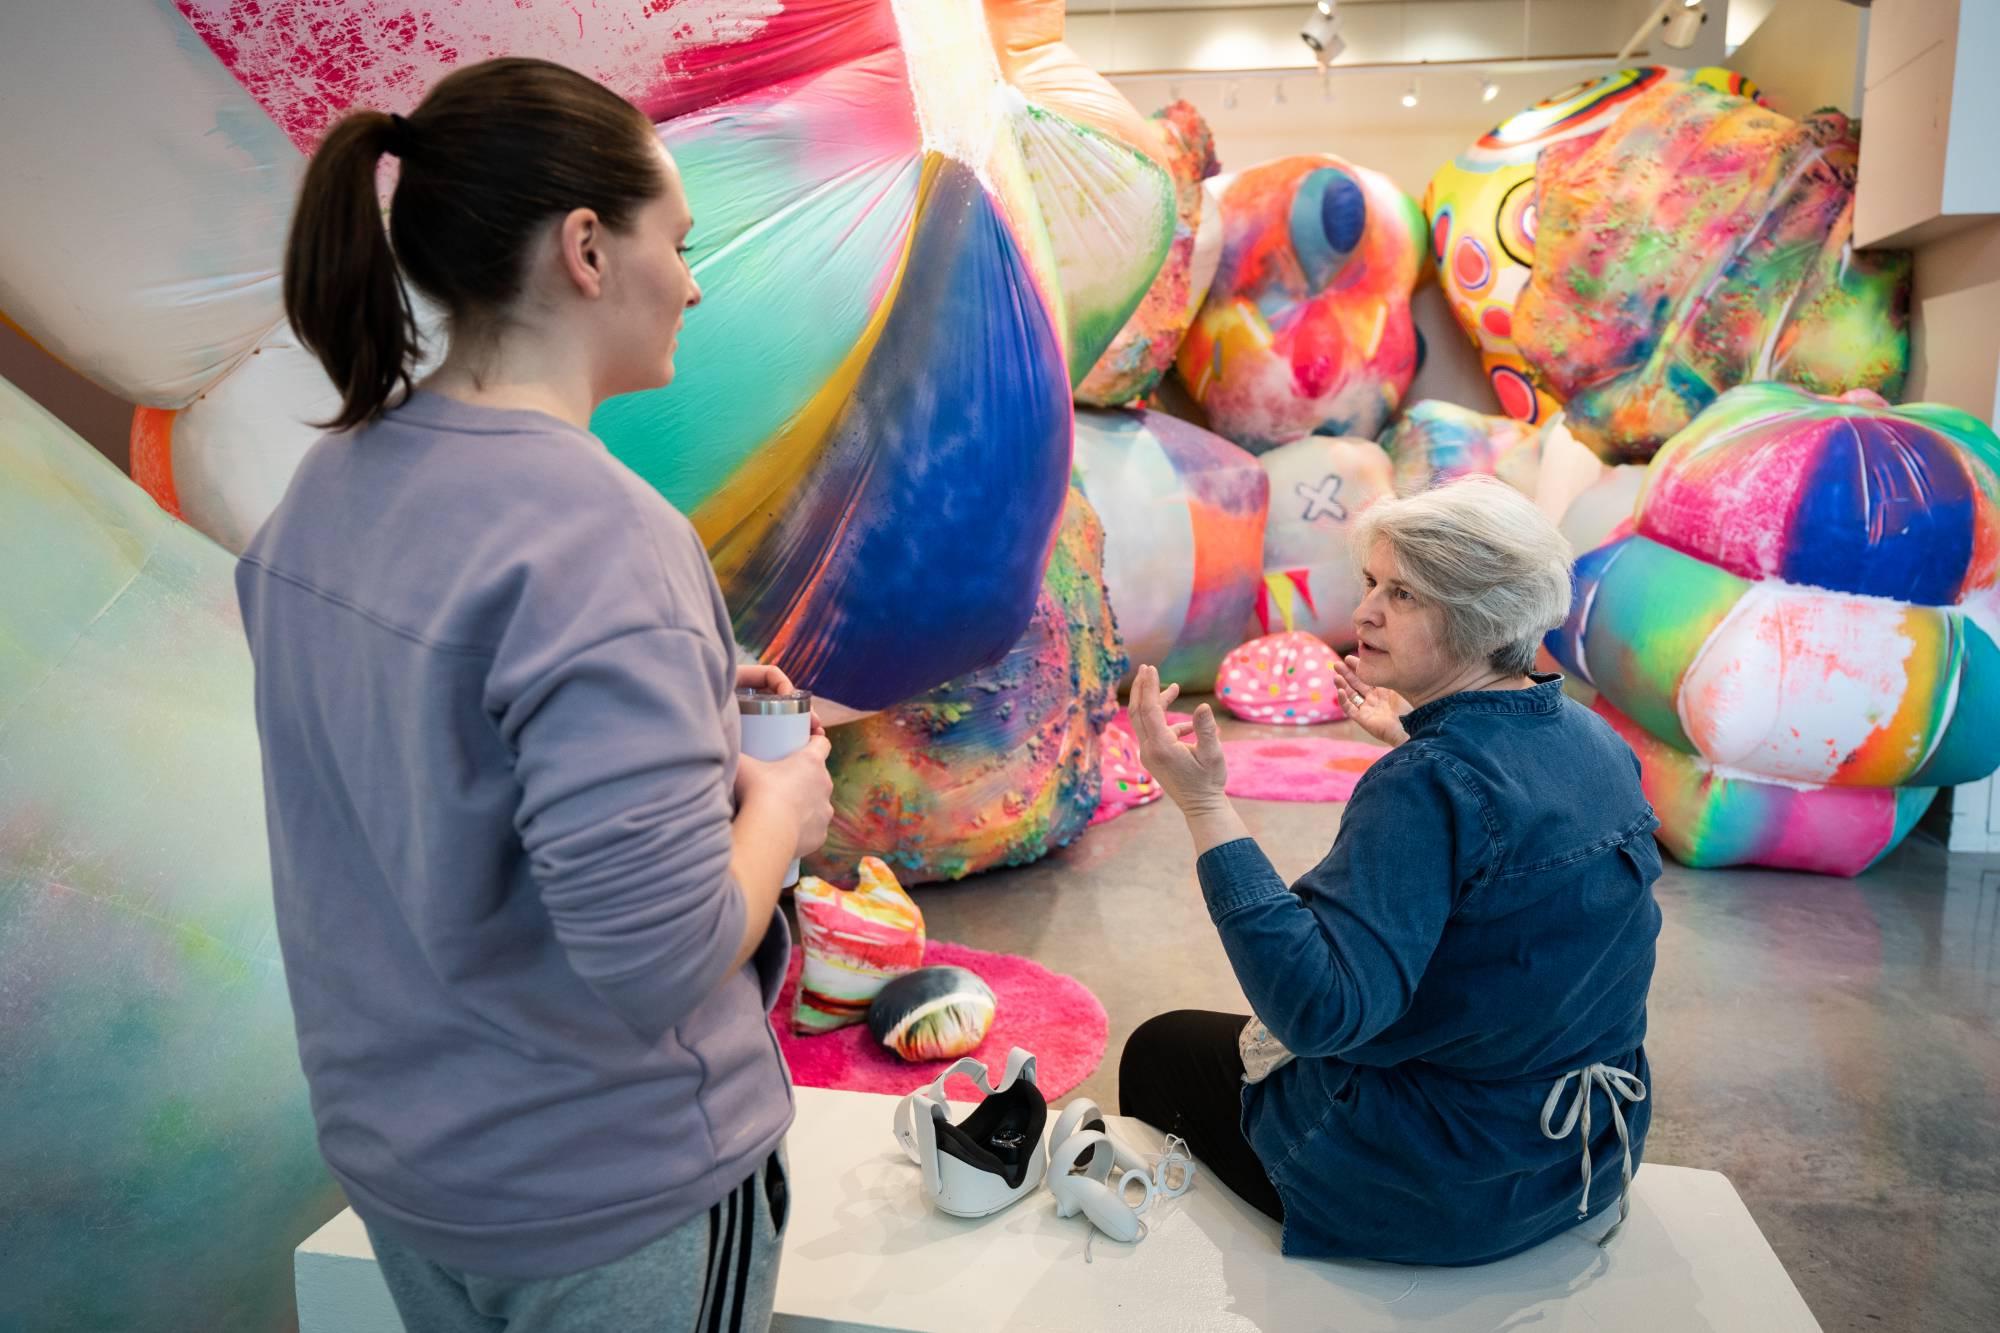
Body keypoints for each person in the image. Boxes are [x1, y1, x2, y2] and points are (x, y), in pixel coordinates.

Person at [237, 58, 832, 1332]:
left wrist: (670, 685)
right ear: (584, 248)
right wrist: (779, 803)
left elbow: (424, 734)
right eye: (678, 240)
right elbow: (662, 957)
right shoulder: (602, 537)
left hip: (410, 1167)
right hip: (607, 1186)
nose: (694, 279)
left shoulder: (322, 496)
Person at [1119, 475, 1663, 1266]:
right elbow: (1518, 882)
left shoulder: (1428, 784)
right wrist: (1422, 744)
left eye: (1403, 594)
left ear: (1480, 618)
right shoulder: (1591, 736)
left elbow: (1319, 1009)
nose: (1365, 610)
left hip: (1445, 1188)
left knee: (1159, 1050)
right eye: (1372, 582)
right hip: (1582, 1158)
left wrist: (1205, 807)